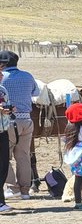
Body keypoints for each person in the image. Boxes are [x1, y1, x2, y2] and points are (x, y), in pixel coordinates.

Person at [0, 50, 38, 200]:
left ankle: (12, 187)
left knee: (4, 156)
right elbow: (35, 92)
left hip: (8, 121)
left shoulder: (2, 79)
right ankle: (25, 190)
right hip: (27, 120)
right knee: (23, 156)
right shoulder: (28, 76)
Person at [0, 81, 13, 214]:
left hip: (3, 130)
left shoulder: (2, 89)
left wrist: (9, 109)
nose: (1, 75)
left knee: (4, 166)